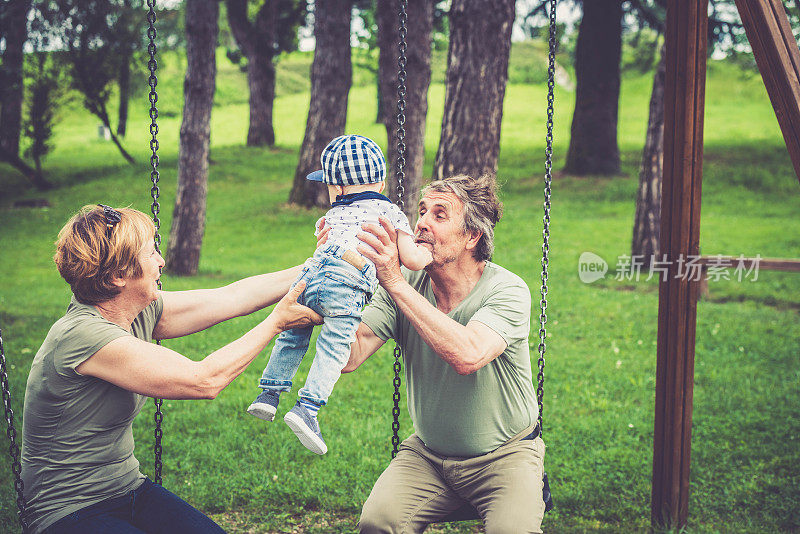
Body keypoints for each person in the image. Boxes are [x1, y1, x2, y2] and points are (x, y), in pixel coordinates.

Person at [21, 204, 322, 534]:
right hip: (68, 510)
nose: (161, 261)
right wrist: (277, 322)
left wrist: (318, 265)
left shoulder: (137, 309)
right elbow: (204, 380)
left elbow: (233, 297)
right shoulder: (82, 336)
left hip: (127, 487)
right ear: (117, 277)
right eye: (151, 253)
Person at [343, 174, 547, 533]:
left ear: (472, 236)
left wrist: (393, 281)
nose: (420, 223)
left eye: (439, 215)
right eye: (422, 212)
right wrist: (338, 291)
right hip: (428, 458)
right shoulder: (405, 282)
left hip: (505, 457)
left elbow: (467, 355)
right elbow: (349, 355)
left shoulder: (507, 290)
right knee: (377, 524)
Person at [246, 135, 431, 455]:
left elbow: (323, 248)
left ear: (337, 188)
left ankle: (269, 394)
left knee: (291, 334)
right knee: (332, 347)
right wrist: (426, 251)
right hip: (348, 282)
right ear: (383, 183)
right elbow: (412, 260)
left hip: (310, 276)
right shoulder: (391, 213)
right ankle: (308, 408)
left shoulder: (330, 217)